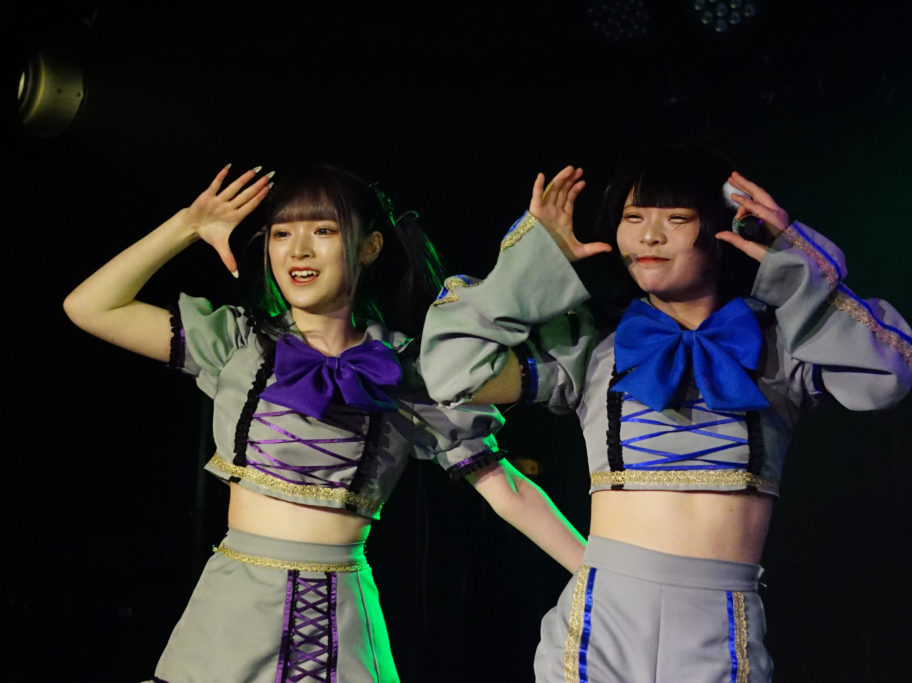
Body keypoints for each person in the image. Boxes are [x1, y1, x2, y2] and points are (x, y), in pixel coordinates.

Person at [63, 163, 585, 682]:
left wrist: (599, 577)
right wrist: (188, 225)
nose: (298, 250)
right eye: (282, 233)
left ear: (370, 246)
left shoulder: (406, 370)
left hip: (340, 620)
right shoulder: (240, 344)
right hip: (231, 612)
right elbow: (90, 307)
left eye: (323, 231)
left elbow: (508, 490)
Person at [419, 146, 912, 682]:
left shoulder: (777, 347)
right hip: (600, 622)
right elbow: (451, 373)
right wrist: (529, 269)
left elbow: (886, 376)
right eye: (634, 218)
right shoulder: (594, 346)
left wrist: (794, 262)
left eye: (676, 219)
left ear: (725, 228)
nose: (649, 237)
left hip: (719, 625)